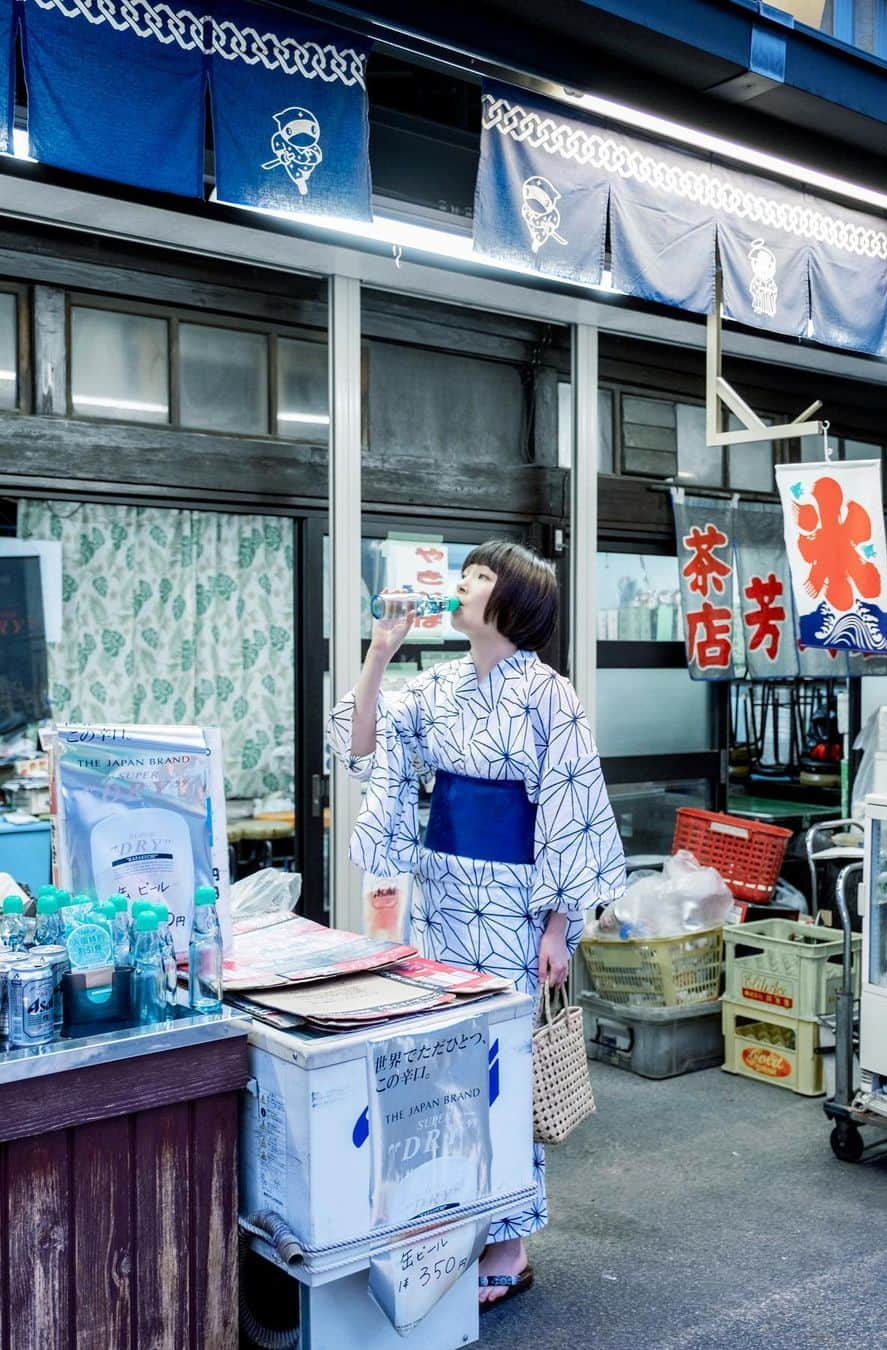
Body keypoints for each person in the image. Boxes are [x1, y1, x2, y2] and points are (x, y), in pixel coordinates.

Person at [326, 539, 625, 1308]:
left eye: (479, 577)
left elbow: (569, 807)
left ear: (515, 603)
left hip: (518, 903)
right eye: (463, 575)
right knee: (449, 1062)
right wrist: (378, 653)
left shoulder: (550, 694)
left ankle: (511, 1242)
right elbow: (361, 748)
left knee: (505, 1066)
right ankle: (457, 1222)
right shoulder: (437, 685)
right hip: (446, 892)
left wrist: (558, 927)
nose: (461, 586)